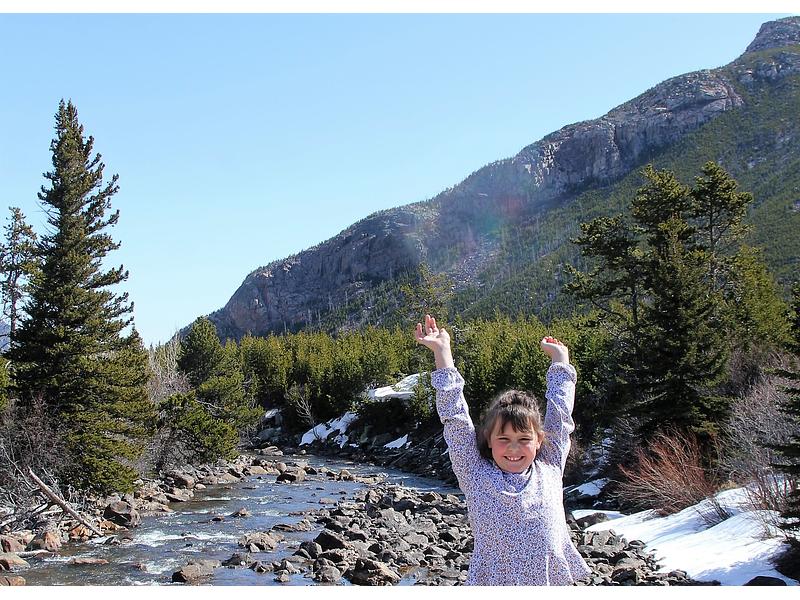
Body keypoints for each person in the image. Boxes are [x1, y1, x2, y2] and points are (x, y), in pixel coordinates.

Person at [414, 314, 591, 586]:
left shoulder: (550, 464)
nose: (513, 448)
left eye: (524, 439)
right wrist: (442, 352)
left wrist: (560, 363)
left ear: (539, 440)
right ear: (488, 439)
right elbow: (455, 419)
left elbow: (560, 415)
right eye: (504, 438)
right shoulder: (474, 472)